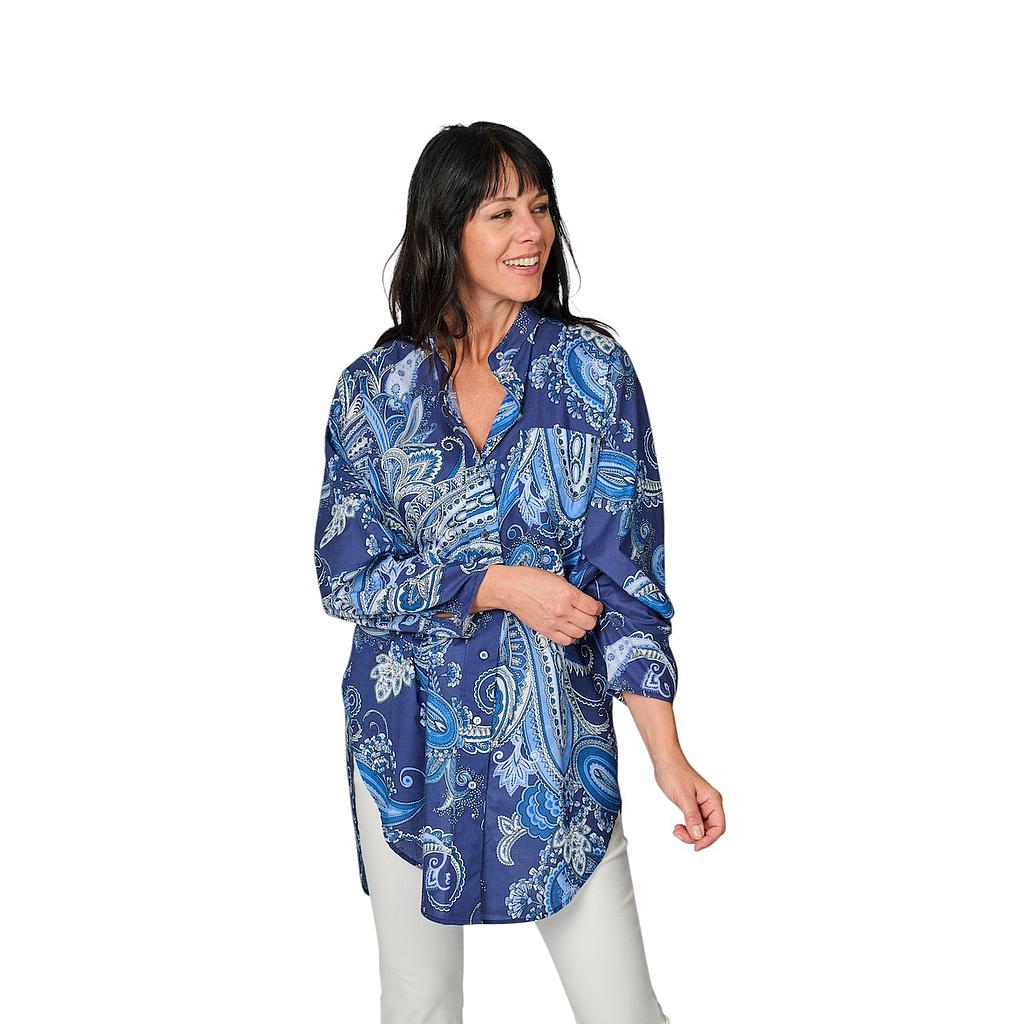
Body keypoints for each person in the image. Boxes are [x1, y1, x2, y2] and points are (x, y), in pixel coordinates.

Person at [313, 121, 725, 1024]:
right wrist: (493, 585)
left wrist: (669, 757)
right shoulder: (371, 392)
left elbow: (628, 585)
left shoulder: (593, 374)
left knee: (621, 1009)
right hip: (405, 743)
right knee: (418, 1003)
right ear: (445, 227)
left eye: (540, 207)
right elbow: (346, 576)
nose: (531, 231)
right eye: (501, 212)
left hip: (554, 747)